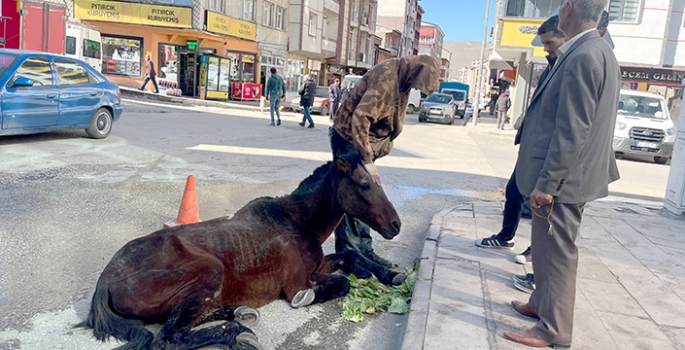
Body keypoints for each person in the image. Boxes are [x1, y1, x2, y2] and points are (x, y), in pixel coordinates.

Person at [503, 0, 620, 348]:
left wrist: (549, 182)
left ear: (569, 8)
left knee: (557, 255)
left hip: (564, 180)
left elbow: (573, 129)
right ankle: (540, 303)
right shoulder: (595, 49)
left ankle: (554, 331)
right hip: (570, 175)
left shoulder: (584, 55)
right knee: (543, 246)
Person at [331, 55, 440, 267]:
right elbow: (361, 117)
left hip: (362, 144)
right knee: (354, 200)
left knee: (366, 198)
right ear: (415, 72)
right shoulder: (387, 77)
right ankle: (350, 260)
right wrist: (367, 159)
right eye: (417, 85)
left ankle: (364, 251)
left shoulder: (404, 76)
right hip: (350, 142)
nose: (415, 89)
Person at [476, 15, 565, 267]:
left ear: (564, 38)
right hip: (531, 147)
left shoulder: (568, 66)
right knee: (514, 191)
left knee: (544, 205)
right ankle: (506, 236)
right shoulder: (551, 65)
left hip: (550, 151)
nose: (545, 47)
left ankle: (536, 252)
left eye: (549, 42)